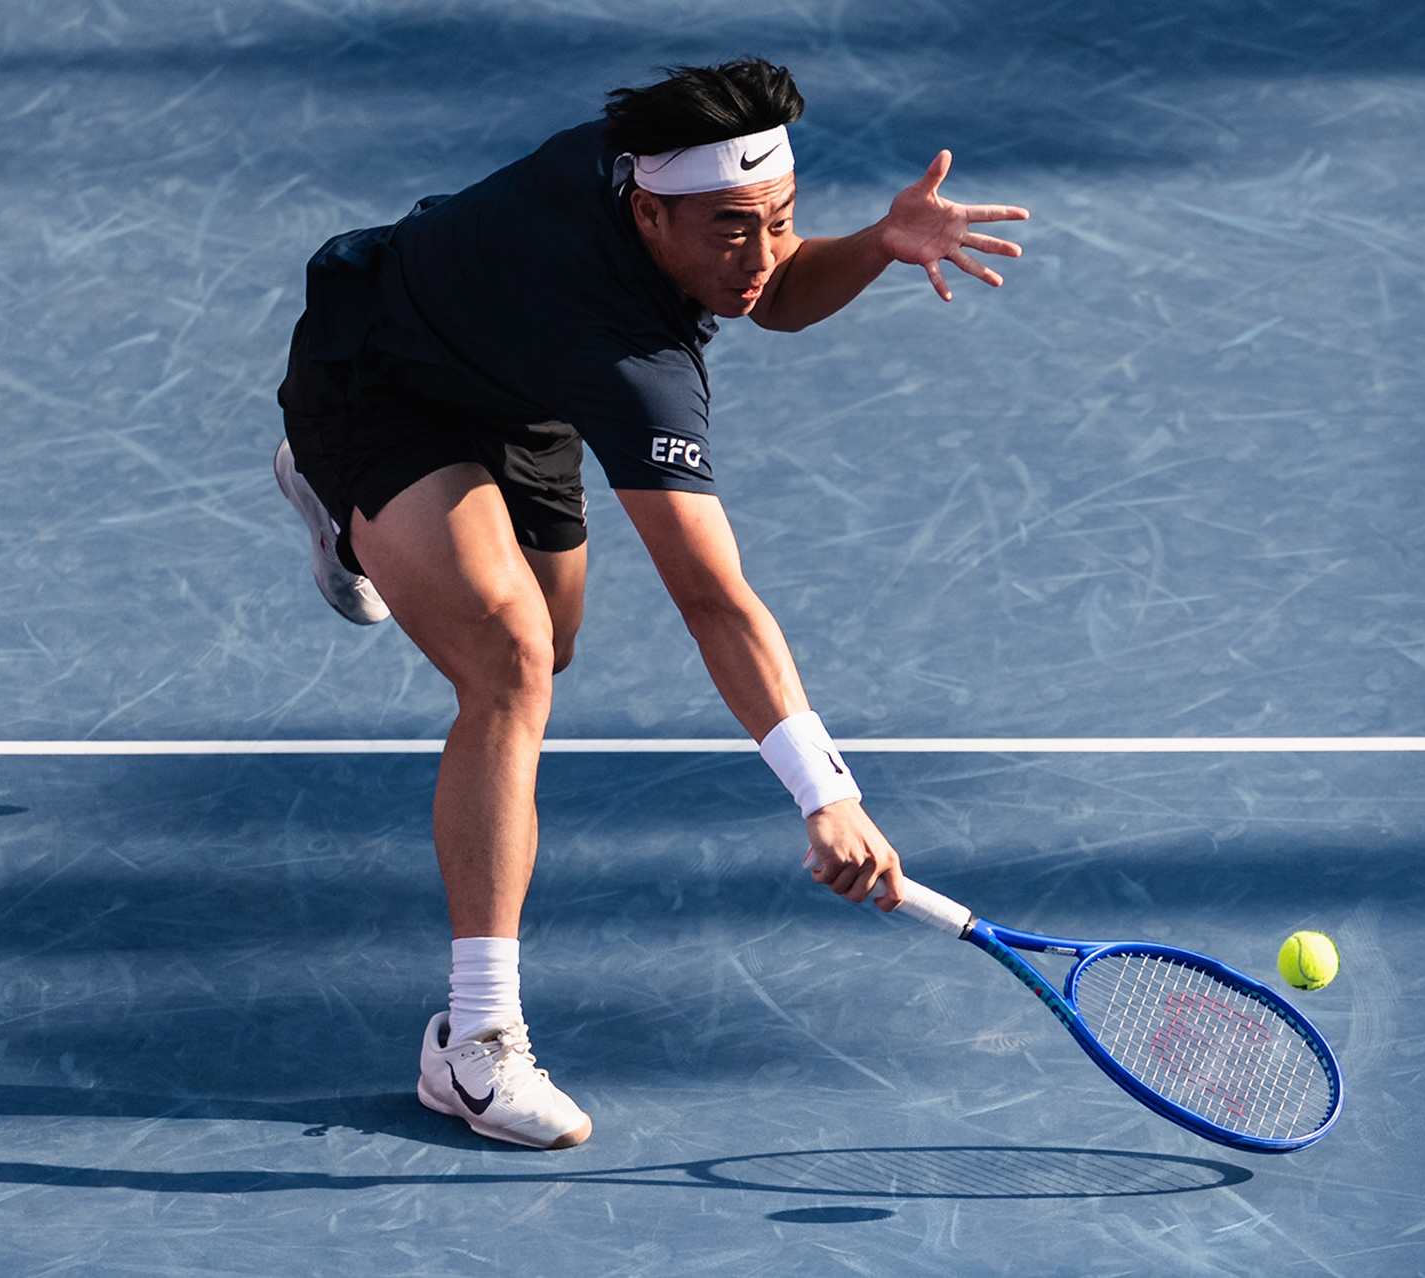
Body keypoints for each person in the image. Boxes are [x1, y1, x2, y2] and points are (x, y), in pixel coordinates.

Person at [273, 57, 1027, 1150]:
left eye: (781, 218)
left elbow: (772, 296)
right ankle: (474, 1046)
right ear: (646, 210)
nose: (760, 254)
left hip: (517, 385)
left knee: (554, 639)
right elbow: (714, 599)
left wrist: (874, 244)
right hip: (380, 375)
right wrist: (826, 793)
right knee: (508, 666)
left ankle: (365, 531)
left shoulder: (660, 189)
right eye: (730, 230)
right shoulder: (630, 361)